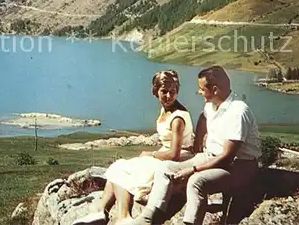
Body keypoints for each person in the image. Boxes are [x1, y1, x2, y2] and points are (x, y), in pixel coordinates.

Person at [138, 66, 261, 225]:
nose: (199, 92)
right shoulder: (212, 105)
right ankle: (149, 218)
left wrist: (193, 169)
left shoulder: (238, 112)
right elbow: (204, 117)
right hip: (211, 157)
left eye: (202, 88)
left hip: (239, 166)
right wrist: (197, 143)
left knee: (197, 181)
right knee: (165, 168)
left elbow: (227, 157)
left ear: (215, 89)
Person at [72, 70, 194, 225]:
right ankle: (101, 211)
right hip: (165, 155)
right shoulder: (166, 109)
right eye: (164, 91)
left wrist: (152, 154)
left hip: (174, 160)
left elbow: (174, 154)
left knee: (122, 170)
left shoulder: (177, 118)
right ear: (155, 92)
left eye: (173, 92)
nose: (169, 96)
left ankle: (122, 217)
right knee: (119, 167)